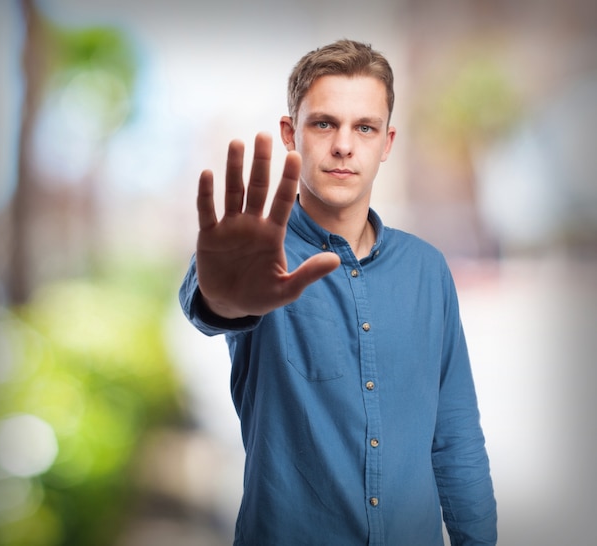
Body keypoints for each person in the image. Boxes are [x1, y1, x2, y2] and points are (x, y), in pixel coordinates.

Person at [180, 39, 497, 545]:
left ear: (387, 142)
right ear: (291, 133)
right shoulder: (261, 261)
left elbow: (455, 437)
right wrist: (225, 302)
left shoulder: (427, 270)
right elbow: (213, 302)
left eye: (364, 127)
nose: (344, 146)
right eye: (324, 123)